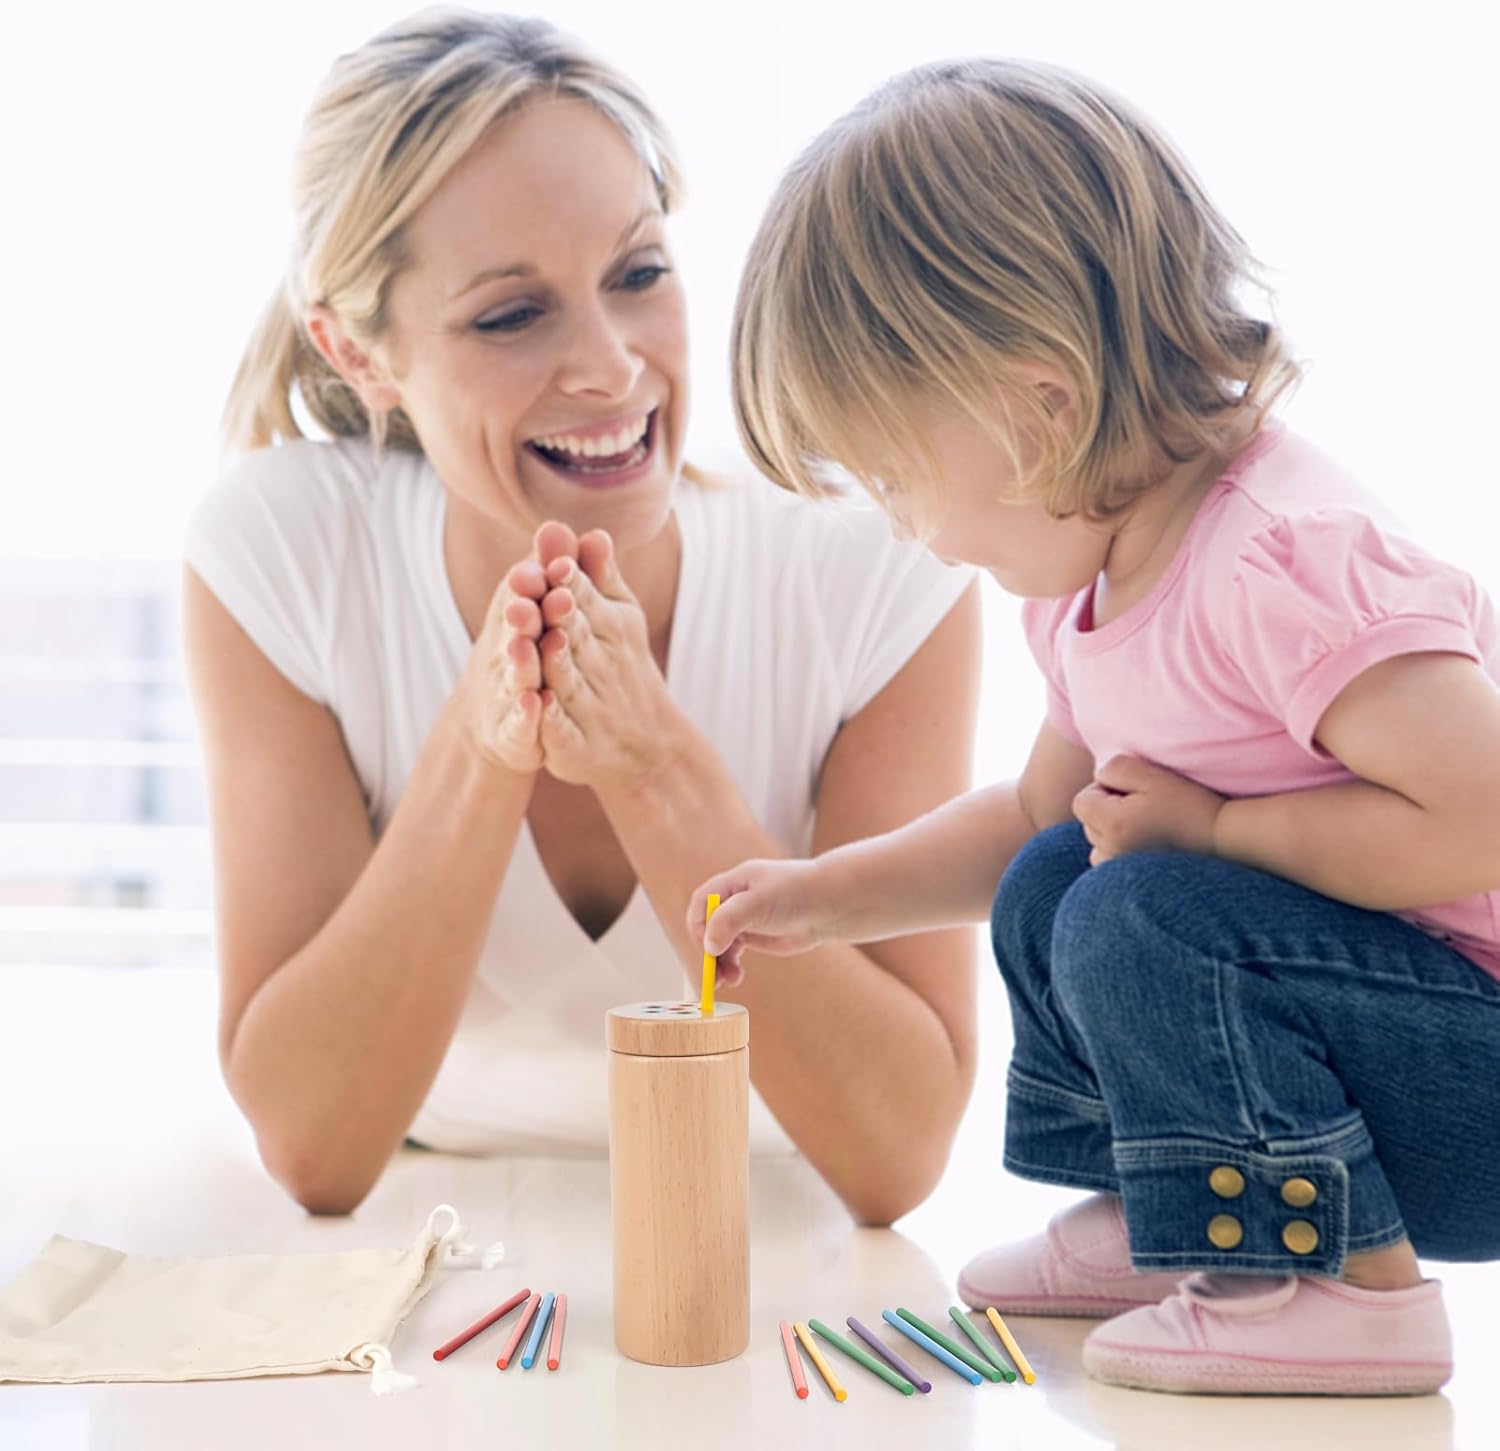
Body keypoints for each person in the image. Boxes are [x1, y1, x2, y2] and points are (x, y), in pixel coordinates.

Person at [690, 57, 1500, 1395]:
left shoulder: (1279, 560)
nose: (902, 523)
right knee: (1060, 870)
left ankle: (1358, 1289)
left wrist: (1220, 826)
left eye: (895, 473)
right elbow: (1028, 819)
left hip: (1467, 1077)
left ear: (1039, 406)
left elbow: (1480, 809)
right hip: (1350, 1055)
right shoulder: (1087, 593)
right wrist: (824, 899)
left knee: (1140, 906)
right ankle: (1167, 1207)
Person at [183, 9, 981, 1223]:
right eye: (512, 314)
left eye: (639, 274)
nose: (611, 366)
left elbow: (893, 1155)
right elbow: (317, 1146)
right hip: (430, 1234)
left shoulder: (871, 559)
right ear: (360, 354)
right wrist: (485, 740)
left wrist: (653, 765)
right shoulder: (282, 552)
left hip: (770, 1225)